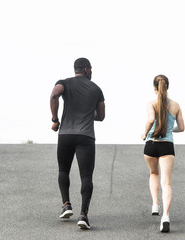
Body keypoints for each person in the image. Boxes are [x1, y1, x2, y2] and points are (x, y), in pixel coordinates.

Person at [50, 57, 105, 230]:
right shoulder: (96, 89)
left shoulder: (64, 83)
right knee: (86, 176)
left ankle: (66, 204)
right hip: (86, 137)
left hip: (65, 134)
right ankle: (83, 215)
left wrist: (55, 119)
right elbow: (101, 116)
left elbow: (54, 95)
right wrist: (88, 115)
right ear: (87, 69)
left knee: (63, 170)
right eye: (91, 69)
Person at [141, 74, 185, 233]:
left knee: (153, 173)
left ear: (155, 88)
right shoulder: (176, 105)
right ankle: (165, 216)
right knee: (166, 183)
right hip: (167, 145)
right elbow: (182, 127)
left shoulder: (151, 104)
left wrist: (145, 133)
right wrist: (168, 130)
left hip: (151, 144)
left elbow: (151, 119)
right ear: (167, 87)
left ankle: (155, 205)